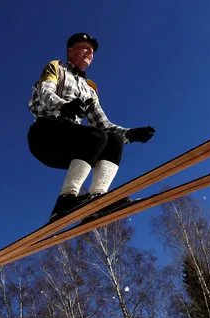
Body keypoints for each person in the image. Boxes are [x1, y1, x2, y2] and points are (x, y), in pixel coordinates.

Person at [27, 32, 156, 221]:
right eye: (84, 47)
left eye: (92, 50)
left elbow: (103, 124)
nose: (89, 52)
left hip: (70, 145)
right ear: (70, 51)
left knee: (113, 139)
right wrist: (64, 106)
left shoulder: (90, 89)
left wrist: (130, 134)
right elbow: (45, 93)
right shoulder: (57, 67)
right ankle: (66, 200)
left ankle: (99, 200)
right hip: (45, 134)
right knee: (96, 136)